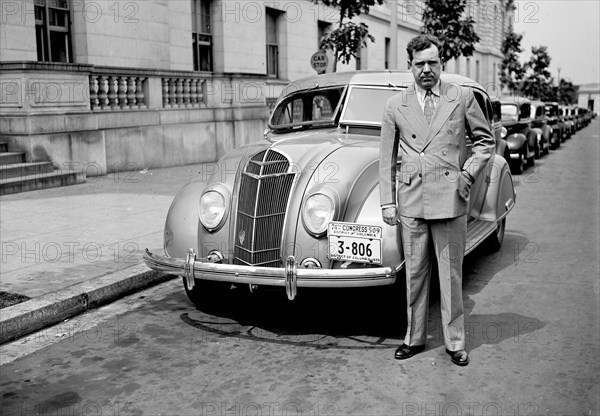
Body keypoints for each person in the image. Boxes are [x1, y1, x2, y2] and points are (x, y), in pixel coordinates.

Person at [379, 34, 495, 366]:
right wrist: (388, 202)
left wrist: (467, 174)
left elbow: (485, 142)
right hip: (412, 199)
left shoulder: (461, 97)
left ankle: (455, 341)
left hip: (450, 198)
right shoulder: (395, 106)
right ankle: (413, 338)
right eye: (420, 64)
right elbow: (385, 156)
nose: (427, 69)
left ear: (441, 62)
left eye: (433, 62)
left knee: (451, 275)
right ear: (409, 66)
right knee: (414, 274)